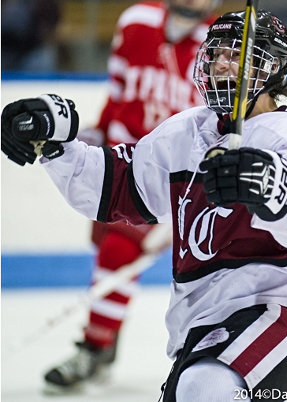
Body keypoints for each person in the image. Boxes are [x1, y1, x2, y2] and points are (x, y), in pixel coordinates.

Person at [1, 9, 287, 402]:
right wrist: (56, 145)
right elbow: (115, 189)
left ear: (271, 68)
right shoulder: (186, 131)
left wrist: (274, 191)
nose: (220, 64)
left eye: (235, 55)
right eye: (215, 55)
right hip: (196, 327)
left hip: (273, 318)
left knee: (204, 390)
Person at [42, 0, 220, 389]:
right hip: (118, 166)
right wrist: (100, 135)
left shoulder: (216, 46)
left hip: (163, 178)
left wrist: (187, 205)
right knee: (106, 250)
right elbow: (118, 93)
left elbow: (212, 131)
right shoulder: (136, 21)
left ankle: (93, 348)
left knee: (118, 251)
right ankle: (104, 345)